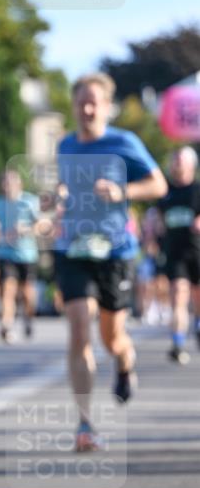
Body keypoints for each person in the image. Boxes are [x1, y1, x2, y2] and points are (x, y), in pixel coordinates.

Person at [54, 73, 167, 451]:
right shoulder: (66, 145)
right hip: (73, 248)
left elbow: (158, 185)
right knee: (78, 329)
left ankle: (124, 361)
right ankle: (85, 424)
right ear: (73, 106)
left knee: (111, 337)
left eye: (94, 103)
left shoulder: (124, 142)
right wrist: (57, 198)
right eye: (81, 102)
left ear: (106, 107)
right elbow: (64, 189)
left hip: (115, 252)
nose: (87, 109)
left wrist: (122, 191)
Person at [157, 146, 200, 364]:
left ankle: (198, 326)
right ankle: (177, 343)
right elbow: (159, 221)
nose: (177, 165)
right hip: (175, 253)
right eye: (175, 161)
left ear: (191, 165)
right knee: (178, 295)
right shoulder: (166, 193)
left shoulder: (197, 190)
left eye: (181, 161)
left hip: (197, 251)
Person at [0, 170, 41, 343]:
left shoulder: (29, 201)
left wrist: (24, 229)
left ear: (19, 184)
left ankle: (28, 318)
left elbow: (41, 226)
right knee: (7, 289)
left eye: (11, 182)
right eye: (4, 182)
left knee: (27, 293)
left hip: (27, 254)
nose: (7, 185)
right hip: (5, 253)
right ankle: (6, 326)